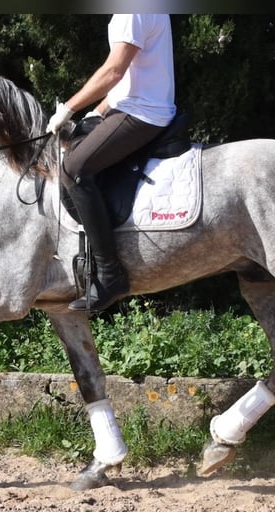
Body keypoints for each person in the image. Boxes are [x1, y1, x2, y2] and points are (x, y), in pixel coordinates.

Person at [46, 13, 176, 312]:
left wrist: (68, 108)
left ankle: (110, 274)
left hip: (143, 113)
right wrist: (94, 114)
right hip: (127, 106)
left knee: (73, 170)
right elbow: (129, 77)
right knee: (74, 147)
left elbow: (114, 71)